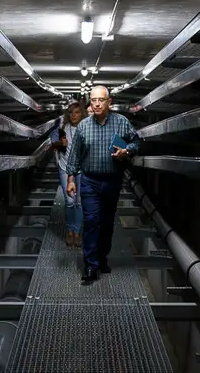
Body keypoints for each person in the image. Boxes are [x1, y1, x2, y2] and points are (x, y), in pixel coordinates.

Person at [65, 86, 142, 284]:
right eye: (93, 100)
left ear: (109, 101)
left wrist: (127, 151)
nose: (97, 103)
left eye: (101, 100)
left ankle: (102, 258)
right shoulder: (84, 126)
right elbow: (75, 155)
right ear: (90, 103)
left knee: (107, 223)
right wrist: (71, 179)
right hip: (90, 181)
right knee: (91, 221)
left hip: (112, 180)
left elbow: (136, 142)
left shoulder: (121, 122)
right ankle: (91, 265)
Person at [49, 100, 86, 247]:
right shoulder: (62, 128)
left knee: (79, 202)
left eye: (76, 112)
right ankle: (70, 230)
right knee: (70, 202)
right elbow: (50, 145)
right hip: (64, 168)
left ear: (82, 114)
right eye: (71, 113)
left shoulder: (86, 128)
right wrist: (60, 143)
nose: (73, 115)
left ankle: (77, 232)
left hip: (81, 170)